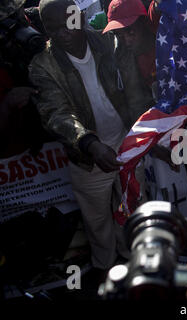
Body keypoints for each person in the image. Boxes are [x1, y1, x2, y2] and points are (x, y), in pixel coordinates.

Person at [29, 0, 151, 271]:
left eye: (68, 23)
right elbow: (56, 114)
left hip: (125, 144)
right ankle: (105, 269)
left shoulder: (109, 43)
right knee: (97, 223)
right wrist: (90, 144)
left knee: (131, 208)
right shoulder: (42, 66)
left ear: (80, 17)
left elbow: (134, 92)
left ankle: (132, 265)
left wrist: (147, 135)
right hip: (86, 158)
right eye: (53, 28)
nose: (63, 32)